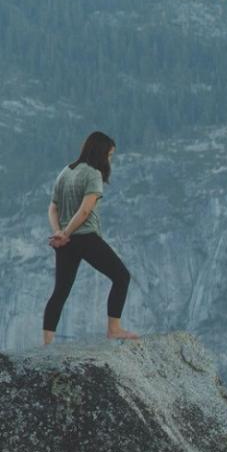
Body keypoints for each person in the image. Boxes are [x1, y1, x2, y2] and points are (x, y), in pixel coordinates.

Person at [43, 131, 138, 344]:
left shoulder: (66, 171)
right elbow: (86, 210)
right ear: (101, 152)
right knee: (121, 277)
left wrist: (59, 232)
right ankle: (114, 329)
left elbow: (52, 208)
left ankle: (47, 343)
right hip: (85, 237)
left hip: (65, 243)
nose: (110, 160)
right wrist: (66, 233)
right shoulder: (93, 174)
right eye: (110, 155)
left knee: (60, 292)